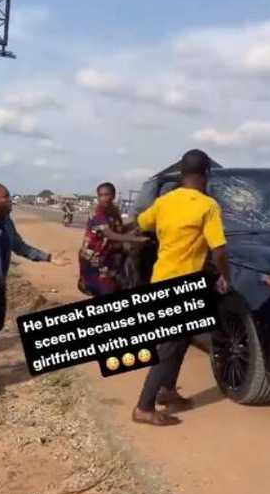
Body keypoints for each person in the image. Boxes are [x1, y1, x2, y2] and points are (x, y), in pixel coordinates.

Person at [132, 150, 231, 426]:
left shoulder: (165, 202)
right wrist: (225, 276)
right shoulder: (207, 206)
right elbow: (219, 249)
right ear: (207, 174)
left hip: (161, 278)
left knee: (182, 339)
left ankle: (167, 390)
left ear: (182, 173)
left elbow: (141, 224)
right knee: (168, 347)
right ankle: (144, 406)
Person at [0, 183, 70, 397]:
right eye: (5, 197)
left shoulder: (6, 221)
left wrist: (49, 257)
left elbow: (19, 246)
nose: (9, 200)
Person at [78, 182, 148, 297]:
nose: (104, 198)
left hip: (109, 258)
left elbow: (119, 229)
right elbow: (110, 234)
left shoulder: (114, 212)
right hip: (95, 259)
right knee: (104, 289)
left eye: (107, 195)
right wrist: (137, 239)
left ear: (113, 195)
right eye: (101, 195)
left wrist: (137, 223)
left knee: (109, 287)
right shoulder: (97, 212)